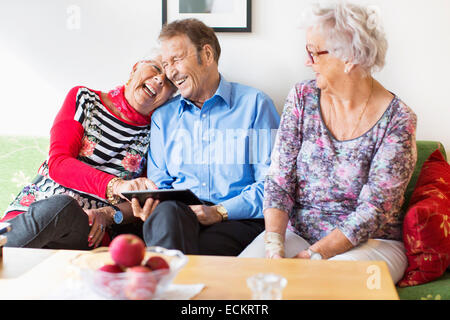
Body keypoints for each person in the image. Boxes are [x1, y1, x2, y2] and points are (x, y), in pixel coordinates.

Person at [238, 2, 417, 284]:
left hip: (372, 244)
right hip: (298, 235)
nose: (307, 61)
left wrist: (312, 258)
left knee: (322, 283)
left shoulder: (398, 120)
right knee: (244, 279)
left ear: (349, 57)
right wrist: (274, 246)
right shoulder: (301, 98)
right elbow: (279, 180)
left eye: (313, 51)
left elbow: (374, 211)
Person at [130, 19, 280, 256]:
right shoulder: (163, 117)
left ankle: (167, 284)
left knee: (201, 251)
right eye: (166, 64)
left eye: (176, 60)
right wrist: (151, 205)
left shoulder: (255, 105)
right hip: (178, 217)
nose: (170, 72)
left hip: (235, 220)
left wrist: (220, 211)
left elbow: (272, 186)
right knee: (168, 215)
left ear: (207, 55)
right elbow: (160, 184)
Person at [1, 54, 176, 249]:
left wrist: (108, 214)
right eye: (156, 68)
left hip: (89, 228)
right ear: (135, 68)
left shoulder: (157, 132)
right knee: (61, 206)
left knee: (66, 208)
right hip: (35, 210)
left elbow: (143, 198)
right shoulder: (84, 99)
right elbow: (58, 164)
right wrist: (115, 185)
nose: (160, 79)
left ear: (171, 96)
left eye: (169, 80)